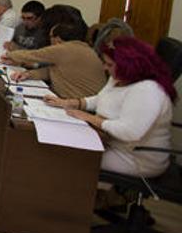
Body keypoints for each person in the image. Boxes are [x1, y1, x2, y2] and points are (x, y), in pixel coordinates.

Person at [44, 36, 175, 178]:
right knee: (62, 147)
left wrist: (90, 118)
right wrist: (70, 103)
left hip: (136, 159)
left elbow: (130, 132)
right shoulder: (119, 78)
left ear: (128, 65)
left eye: (109, 65)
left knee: (68, 157)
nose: (104, 68)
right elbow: (102, 99)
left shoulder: (148, 90)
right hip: (111, 143)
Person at [5, 23, 107, 99]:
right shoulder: (83, 48)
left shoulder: (63, 49)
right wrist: (28, 74)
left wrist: (9, 54)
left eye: (50, 37)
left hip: (81, 104)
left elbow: (33, 55)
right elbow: (54, 71)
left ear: (57, 39)